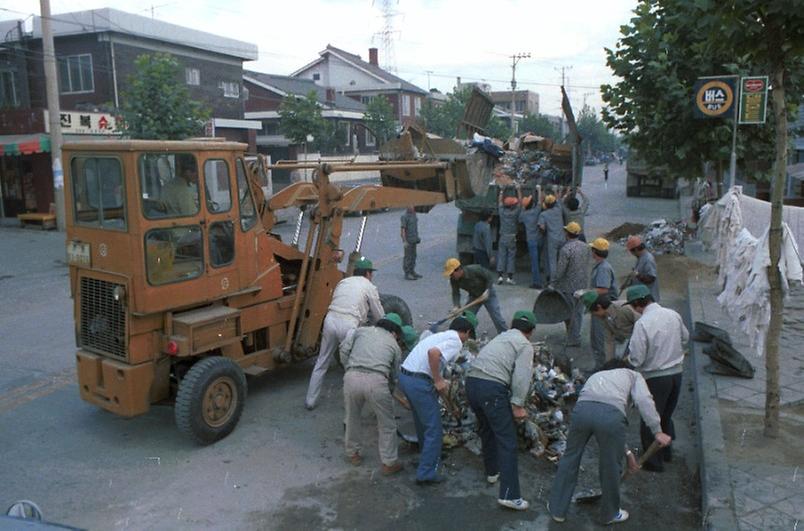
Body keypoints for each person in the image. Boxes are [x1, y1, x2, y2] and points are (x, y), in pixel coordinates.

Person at [547, 358, 672, 525]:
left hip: (582, 411)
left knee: (570, 458)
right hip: (611, 416)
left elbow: (597, 411)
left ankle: (557, 509)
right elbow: (644, 400)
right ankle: (610, 513)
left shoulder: (596, 375)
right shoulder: (633, 375)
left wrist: (627, 453)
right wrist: (657, 430)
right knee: (610, 464)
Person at [466, 310, 537, 511]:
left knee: (487, 429)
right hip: (491, 389)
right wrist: (518, 405)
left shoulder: (501, 337)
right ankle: (510, 495)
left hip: (471, 383)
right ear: (530, 331)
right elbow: (522, 376)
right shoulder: (524, 344)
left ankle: (492, 472)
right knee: (508, 441)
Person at [399, 316, 475, 484]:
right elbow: (433, 354)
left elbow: (434, 370)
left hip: (405, 378)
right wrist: (438, 380)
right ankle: (426, 473)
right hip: (418, 382)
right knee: (434, 429)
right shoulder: (456, 341)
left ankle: (426, 457)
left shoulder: (439, 336)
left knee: (422, 422)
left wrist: (447, 401)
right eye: (469, 336)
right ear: (467, 332)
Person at [305, 257, 384, 410]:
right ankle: (353, 406)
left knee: (322, 361)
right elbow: (379, 315)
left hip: (330, 320)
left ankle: (310, 401)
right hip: (349, 324)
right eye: (371, 273)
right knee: (352, 366)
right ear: (368, 273)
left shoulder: (343, 282)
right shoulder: (368, 286)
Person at [625, 284, 688, 472]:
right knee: (667, 415)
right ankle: (667, 453)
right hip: (676, 373)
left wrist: (630, 360)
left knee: (650, 418)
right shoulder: (672, 314)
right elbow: (685, 338)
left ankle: (653, 462)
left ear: (637, 304)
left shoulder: (643, 323)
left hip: (655, 377)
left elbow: (637, 357)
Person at [340, 313, 405, 475]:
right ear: (395, 332)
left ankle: (353, 454)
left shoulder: (361, 331)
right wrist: (390, 392)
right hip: (377, 380)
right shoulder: (394, 345)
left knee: (352, 417)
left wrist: (348, 367)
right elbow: (395, 374)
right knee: (387, 424)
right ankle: (389, 463)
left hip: (352, 377)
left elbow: (344, 349)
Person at [444, 258, 507, 334]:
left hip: (488, 294)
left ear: (458, 269)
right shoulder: (453, 280)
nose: (451, 276)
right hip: (474, 296)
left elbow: (489, 277)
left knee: (497, 317)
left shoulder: (474, 269)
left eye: (451, 274)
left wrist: (487, 290)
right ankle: (468, 336)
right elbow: (455, 293)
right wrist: (456, 306)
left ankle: (505, 334)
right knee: (466, 318)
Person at [551, 222, 590, 347]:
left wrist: (553, 282)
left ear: (567, 234)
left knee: (569, 312)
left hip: (568, 286)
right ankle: (575, 335)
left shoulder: (566, 249)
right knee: (578, 312)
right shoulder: (586, 247)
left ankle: (573, 338)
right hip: (583, 284)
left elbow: (560, 270)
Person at [582, 291, 638, 360]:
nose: (594, 315)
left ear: (599, 307)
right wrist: (609, 363)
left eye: (593, 312)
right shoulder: (605, 319)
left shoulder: (624, 309)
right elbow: (609, 341)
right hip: (630, 339)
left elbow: (644, 325)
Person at [589, 238, 619, 369]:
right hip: (600, 305)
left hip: (603, 307)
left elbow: (603, 289)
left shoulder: (603, 268)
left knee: (600, 338)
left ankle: (603, 368)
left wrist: (585, 292)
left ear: (595, 252)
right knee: (597, 337)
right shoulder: (601, 265)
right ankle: (601, 366)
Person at [497, 185, 522, 285]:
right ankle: (509, 277)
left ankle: (499, 277)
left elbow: (499, 202)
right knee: (511, 256)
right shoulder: (515, 213)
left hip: (503, 236)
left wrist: (502, 191)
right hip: (512, 237)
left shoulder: (502, 212)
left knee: (501, 255)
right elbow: (520, 203)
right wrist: (518, 190)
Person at [537, 194, 564, 283]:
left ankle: (553, 281)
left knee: (552, 261)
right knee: (561, 260)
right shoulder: (559, 210)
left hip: (552, 239)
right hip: (562, 238)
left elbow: (542, 227)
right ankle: (562, 280)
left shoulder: (543, 214)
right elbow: (559, 200)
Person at [626, 235, 660, 302]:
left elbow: (651, 278)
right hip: (641, 298)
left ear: (635, 250)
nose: (632, 254)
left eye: (631, 251)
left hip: (648, 299)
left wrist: (638, 275)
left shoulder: (648, 259)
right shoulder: (641, 258)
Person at [520, 191, 543, 289]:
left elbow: (519, 218)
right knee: (537, 260)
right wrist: (539, 189)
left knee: (534, 262)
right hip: (539, 239)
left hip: (531, 241)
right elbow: (540, 201)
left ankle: (536, 282)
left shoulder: (524, 215)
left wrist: (523, 207)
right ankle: (539, 280)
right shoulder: (536, 211)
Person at [401, 206, 422, 281]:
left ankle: (412, 271)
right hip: (408, 241)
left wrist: (417, 237)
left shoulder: (414, 215)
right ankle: (407, 273)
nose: (413, 207)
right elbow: (403, 230)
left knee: (413, 256)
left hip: (414, 240)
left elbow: (415, 227)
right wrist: (404, 241)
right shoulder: (404, 217)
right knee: (408, 257)